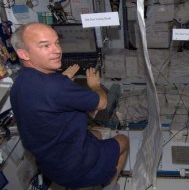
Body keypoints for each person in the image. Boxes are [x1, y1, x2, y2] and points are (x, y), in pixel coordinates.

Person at [10, 22, 129, 190]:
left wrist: (63, 80)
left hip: (50, 163)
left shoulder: (19, 83)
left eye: (57, 42)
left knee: (96, 133)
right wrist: (95, 86)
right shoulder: (56, 87)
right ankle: (110, 185)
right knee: (123, 141)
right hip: (73, 169)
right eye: (45, 45)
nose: (57, 50)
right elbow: (101, 103)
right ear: (23, 53)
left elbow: (48, 96)